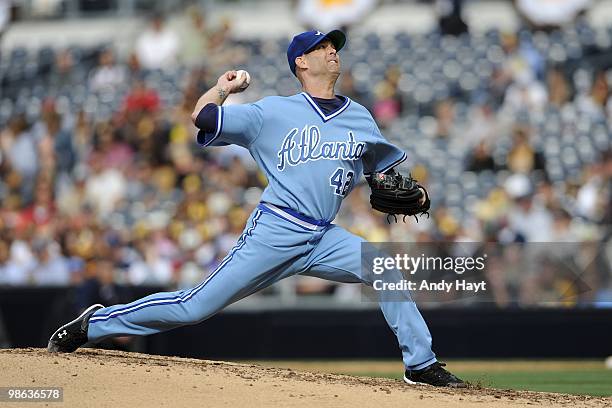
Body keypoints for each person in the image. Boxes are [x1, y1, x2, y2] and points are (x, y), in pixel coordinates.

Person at [47, 29, 465, 388]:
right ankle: (95, 324)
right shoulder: (272, 112)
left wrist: (411, 193)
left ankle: (421, 364)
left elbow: (383, 178)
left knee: (382, 266)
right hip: (276, 230)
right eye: (322, 46)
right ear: (301, 62)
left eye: (334, 45)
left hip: (324, 236)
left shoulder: (360, 117)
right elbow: (203, 116)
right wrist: (223, 87)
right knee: (194, 307)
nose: (333, 50)